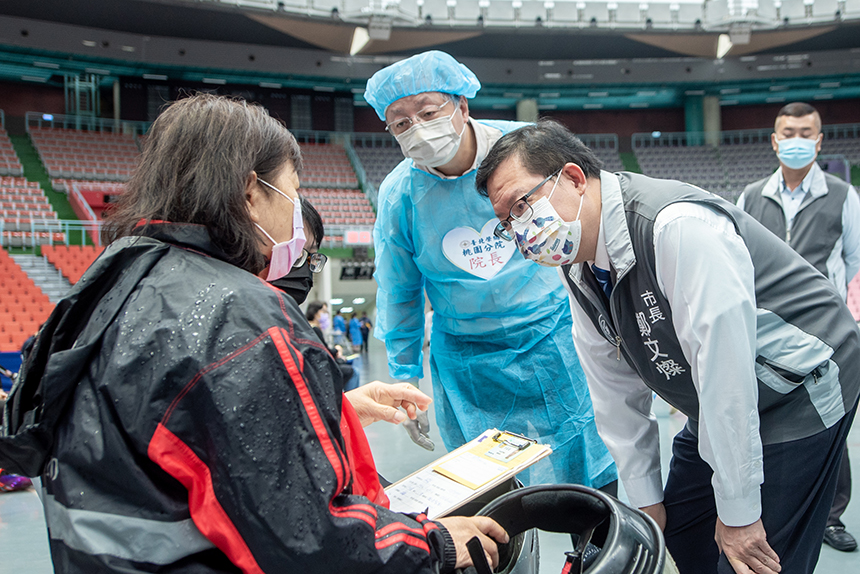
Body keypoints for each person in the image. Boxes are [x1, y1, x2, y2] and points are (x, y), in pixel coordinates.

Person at [0, 94, 508, 573]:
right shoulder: (243, 317)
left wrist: (335, 411)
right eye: (291, 192)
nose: (295, 211)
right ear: (250, 193)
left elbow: (166, 431)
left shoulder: (109, 285)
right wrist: (437, 541)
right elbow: (311, 541)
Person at [476, 119, 860, 574]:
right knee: (678, 530)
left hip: (794, 389)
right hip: (714, 398)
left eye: (522, 205)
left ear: (575, 177)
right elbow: (614, 392)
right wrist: (645, 501)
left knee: (754, 558)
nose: (521, 233)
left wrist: (739, 513)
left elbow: (727, 375)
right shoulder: (577, 264)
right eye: (507, 223)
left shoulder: (677, 227)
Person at [363, 50, 616, 489]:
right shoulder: (399, 196)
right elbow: (399, 289)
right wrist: (405, 377)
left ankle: (593, 547)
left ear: (462, 106)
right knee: (487, 482)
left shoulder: (524, 149)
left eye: (428, 112)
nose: (417, 129)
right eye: (401, 123)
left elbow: (587, 214)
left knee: (584, 456)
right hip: (466, 357)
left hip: (552, 333)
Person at [737, 101, 860, 553]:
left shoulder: (844, 196)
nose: (796, 141)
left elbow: (856, 265)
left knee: (830, 423)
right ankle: (765, 508)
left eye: (805, 133)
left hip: (825, 338)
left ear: (819, 140)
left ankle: (830, 516)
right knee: (766, 422)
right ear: (774, 140)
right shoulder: (750, 196)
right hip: (764, 337)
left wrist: (851, 324)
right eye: (788, 133)